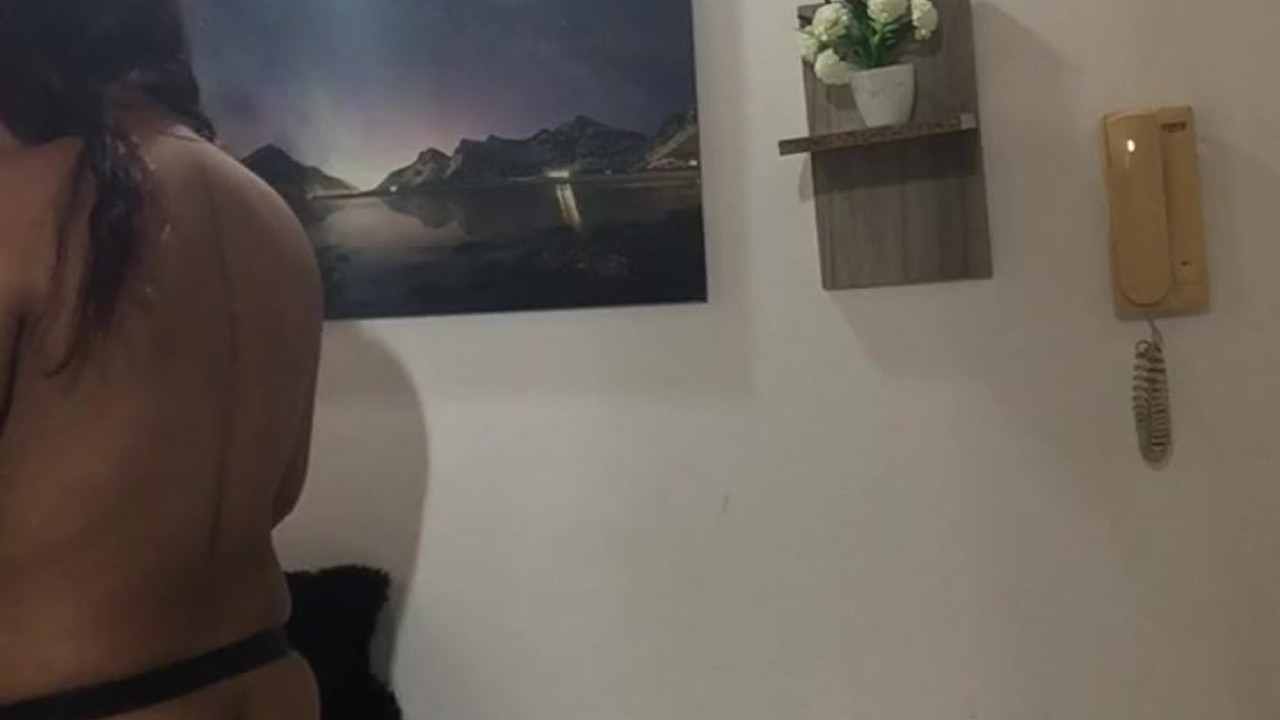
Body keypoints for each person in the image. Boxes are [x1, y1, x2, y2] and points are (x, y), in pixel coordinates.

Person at [0, 1, 323, 718]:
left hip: (76, 699)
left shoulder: (24, 197)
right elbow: (282, 490)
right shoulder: (268, 213)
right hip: (266, 677)